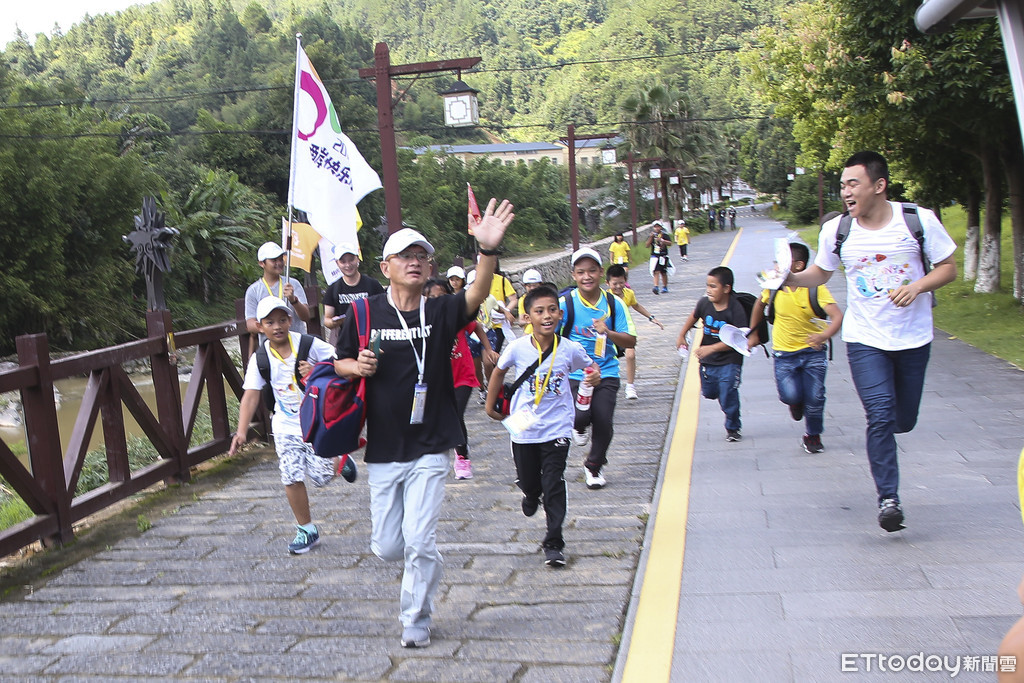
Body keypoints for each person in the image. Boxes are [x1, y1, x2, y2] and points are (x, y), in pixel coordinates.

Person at [333, 199, 514, 648]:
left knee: (418, 539)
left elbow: (475, 296)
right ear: (386, 265)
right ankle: (423, 565)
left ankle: (416, 616)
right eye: (405, 256)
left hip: (432, 442)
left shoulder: (439, 311)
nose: (415, 262)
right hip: (384, 448)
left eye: (422, 257)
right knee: (390, 547)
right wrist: (357, 367)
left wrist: (487, 251)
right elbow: (336, 364)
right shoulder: (363, 313)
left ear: (429, 266)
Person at [782, 151, 956, 532]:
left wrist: (917, 287)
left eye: (852, 183)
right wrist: (787, 278)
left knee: (902, 420)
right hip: (865, 340)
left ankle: (891, 441)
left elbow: (948, 268)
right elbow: (821, 273)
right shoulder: (838, 230)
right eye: (842, 184)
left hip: (912, 338)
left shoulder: (917, 220)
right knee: (879, 414)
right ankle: (888, 499)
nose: (845, 191)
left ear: (879, 186)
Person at [229, 296, 356, 555]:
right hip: (285, 425)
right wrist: (241, 431)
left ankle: (340, 459)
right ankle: (306, 529)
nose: (277, 326)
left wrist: (319, 368)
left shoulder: (308, 344)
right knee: (291, 475)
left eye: (282, 320)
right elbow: (251, 395)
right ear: (261, 327)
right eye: (270, 322)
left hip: (316, 421)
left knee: (320, 477)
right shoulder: (261, 358)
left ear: (290, 321)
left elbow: (342, 365)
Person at [485, 284, 600, 568]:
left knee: (554, 482)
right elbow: (499, 371)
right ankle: (529, 492)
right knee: (530, 480)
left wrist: (594, 377)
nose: (546, 316)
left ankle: (554, 543)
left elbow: (590, 367)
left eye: (551, 310)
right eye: (539, 311)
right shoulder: (518, 348)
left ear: (560, 315)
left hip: (558, 428)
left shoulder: (569, 348)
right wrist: (490, 406)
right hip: (524, 428)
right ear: (527, 318)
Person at [748, 242, 843, 453]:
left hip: (813, 353)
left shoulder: (815, 288)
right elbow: (759, 305)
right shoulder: (773, 286)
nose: (775, 266)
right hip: (784, 354)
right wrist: (754, 334)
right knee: (789, 395)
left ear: (798, 266)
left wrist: (824, 335)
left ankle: (813, 435)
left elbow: (837, 316)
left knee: (816, 397)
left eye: (782, 262)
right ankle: (796, 402)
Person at [560, 247, 637, 489]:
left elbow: (630, 340)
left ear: (601, 273)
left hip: (607, 371)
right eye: (581, 272)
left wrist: (609, 332)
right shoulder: (565, 304)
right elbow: (545, 334)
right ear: (573, 275)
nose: (587, 276)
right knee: (580, 414)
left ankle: (593, 466)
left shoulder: (614, 304)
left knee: (604, 420)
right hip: (573, 373)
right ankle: (579, 425)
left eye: (592, 270)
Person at [423, 277, 485, 480]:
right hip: (439, 378)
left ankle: (462, 458)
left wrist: (489, 348)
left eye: (441, 296)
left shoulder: (455, 317)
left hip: (463, 376)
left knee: (456, 415)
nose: (436, 301)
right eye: (431, 298)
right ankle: (434, 455)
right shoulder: (422, 322)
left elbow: (475, 326)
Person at [676, 266, 747, 442]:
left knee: (727, 393)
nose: (709, 290)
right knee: (709, 392)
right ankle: (722, 401)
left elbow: (739, 339)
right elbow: (693, 316)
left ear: (726, 288)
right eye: (707, 285)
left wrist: (712, 348)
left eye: (713, 286)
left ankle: (732, 427)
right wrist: (681, 335)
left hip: (730, 360)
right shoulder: (704, 303)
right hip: (708, 361)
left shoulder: (735, 309)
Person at [605, 264, 664, 400]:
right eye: (615, 284)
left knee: (630, 354)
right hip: (608, 333)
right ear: (607, 283)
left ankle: (630, 386)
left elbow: (636, 305)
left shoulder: (629, 293)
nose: (619, 286)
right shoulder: (605, 297)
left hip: (624, 331)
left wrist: (651, 317)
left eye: (621, 283)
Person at [244, 242, 311, 346]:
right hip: (271, 350)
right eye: (274, 260)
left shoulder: (292, 284)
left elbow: (306, 316)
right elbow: (250, 324)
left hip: (297, 345)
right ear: (262, 263)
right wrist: (271, 325)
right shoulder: (253, 291)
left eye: (281, 259)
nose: (279, 263)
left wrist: (294, 300)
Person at [322, 242, 384, 345]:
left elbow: (384, 310)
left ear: (357, 259)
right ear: (337, 263)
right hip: (347, 340)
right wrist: (335, 322)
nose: (348, 265)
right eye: (343, 261)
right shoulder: (333, 289)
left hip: (371, 338)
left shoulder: (373, 284)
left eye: (351, 260)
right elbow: (327, 320)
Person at [645, 223, 673, 295]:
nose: (657, 228)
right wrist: (651, 238)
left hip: (663, 255)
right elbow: (647, 245)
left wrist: (662, 240)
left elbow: (670, 243)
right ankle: (656, 286)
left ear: (661, 227)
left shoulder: (664, 234)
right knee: (656, 271)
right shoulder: (652, 235)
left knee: (663, 272)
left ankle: (665, 286)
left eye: (658, 227)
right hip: (655, 256)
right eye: (655, 227)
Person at [517, 268, 544, 333]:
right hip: (529, 334)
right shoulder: (523, 300)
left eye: (535, 285)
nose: (532, 288)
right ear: (524, 286)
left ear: (540, 285)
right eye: (529, 286)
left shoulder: (545, 298)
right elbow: (521, 321)